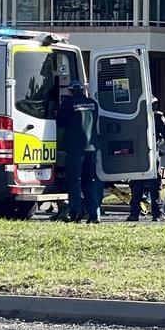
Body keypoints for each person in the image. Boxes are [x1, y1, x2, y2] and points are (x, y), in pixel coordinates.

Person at [57, 80, 102, 224]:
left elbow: (60, 126)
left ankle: (76, 213)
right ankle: (94, 214)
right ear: (82, 90)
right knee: (89, 182)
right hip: (92, 148)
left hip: (75, 149)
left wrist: (60, 146)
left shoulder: (67, 105)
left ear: (70, 91)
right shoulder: (93, 103)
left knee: (74, 181)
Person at [127, 97, 165, 222]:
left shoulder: (133, 116)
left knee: (136, 184)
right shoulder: (157, 117)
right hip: (152, 153)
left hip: (138, 155)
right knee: (154, 184)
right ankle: (157, 214)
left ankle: (134, 214)